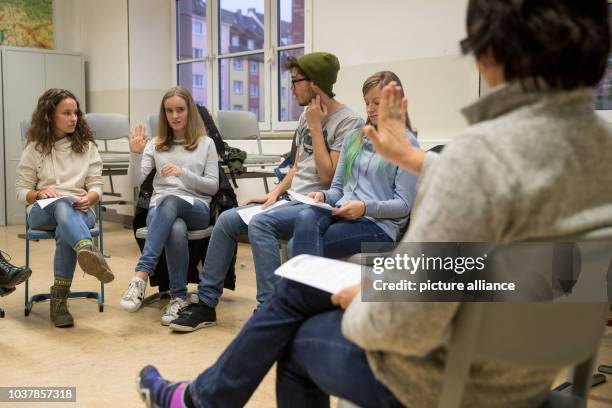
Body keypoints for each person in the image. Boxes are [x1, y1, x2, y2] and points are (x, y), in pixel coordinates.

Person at [136, 1, 612, 406]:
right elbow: (550, 266)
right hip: (529, 364)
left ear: (489, 50)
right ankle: (202, 396)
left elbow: (408, 330)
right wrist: (415, 160)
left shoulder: (481, 156)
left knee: (296, 336)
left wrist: (367, 298)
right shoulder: (599, 148)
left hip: (457, 381)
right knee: (300, 285)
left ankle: (202, 398)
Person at [167, 52, 364, 332]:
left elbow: (328, 175)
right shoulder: (306, 116)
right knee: (227, 220)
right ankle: (207, 305)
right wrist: (275, 193)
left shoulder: (349, 122)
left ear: (315, 84)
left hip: (318, 205)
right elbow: (297, 166)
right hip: (290, 200)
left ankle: (270, 309)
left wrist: (317, 127)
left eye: (296, 81)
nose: (292, 87)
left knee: (261, 224)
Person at [289, 71, 419, 259]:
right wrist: (323, 196)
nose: (370, 109)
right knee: (305, 216)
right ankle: (305, 288)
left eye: (377, 103)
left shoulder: (407, 143)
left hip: (378, 226)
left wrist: (364, 207)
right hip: (343, 214)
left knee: (297, 246)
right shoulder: (353, 138)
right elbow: (337, 189)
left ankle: (296, 288)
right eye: (367, 103)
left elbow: (404, 205)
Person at [120, 86, 219, 326]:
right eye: (169, 111)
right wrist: (134, 154)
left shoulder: (205, 143)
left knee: (171, 200)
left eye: (180, 110)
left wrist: (182, 174)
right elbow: (134, 182)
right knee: (175, 226)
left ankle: (140, 275)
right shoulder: (155, 144)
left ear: (190, 111)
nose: (175, 116)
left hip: (197, 207)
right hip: (161, 209)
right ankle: (178, 297)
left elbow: (212, 187)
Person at [16, 88, 113, 328]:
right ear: (50, 115)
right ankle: (88, 249)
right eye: (66, 113)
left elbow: (96, 186)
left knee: (64, 229)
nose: (74, 118)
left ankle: (59, 298)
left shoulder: (87, 147)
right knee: (61, 202)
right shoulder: (35, 148)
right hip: (43, 211)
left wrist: (90, 198)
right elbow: (21, 191)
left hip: (80, 210)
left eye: (76, 113)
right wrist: (39, 193)